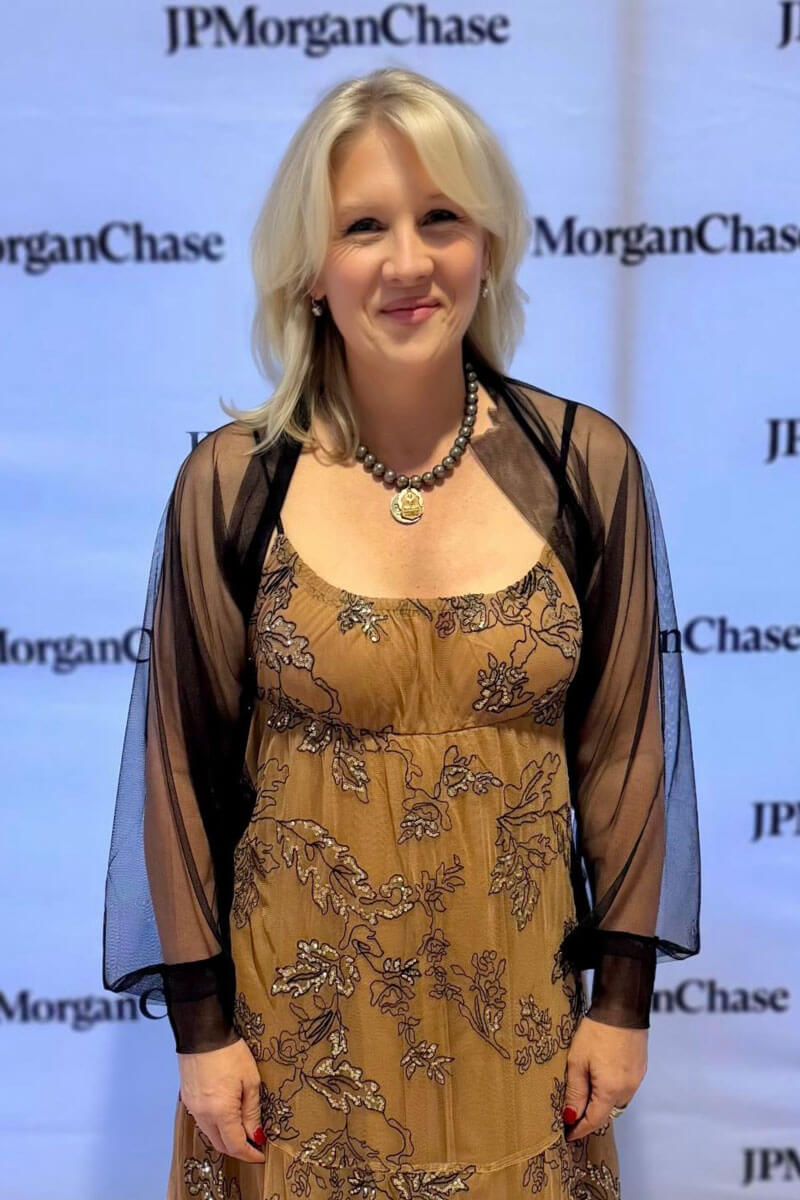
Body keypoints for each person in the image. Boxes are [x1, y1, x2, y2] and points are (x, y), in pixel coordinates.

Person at [103, 67, 701, 1200]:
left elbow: (625, 754)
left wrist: (622, 1003)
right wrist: (201, 1030)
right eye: (363, 227)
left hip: (522, 1034)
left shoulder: (585, 467)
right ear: (309, 268)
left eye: (441, 219)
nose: (409, 262)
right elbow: (178, 766)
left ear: (488, 244)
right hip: (291, 1045)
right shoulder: (233, 483)